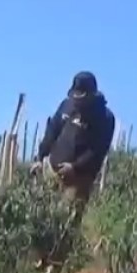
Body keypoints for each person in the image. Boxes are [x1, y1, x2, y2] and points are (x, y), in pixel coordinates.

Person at [35, 71, 116, 232]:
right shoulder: (66, 105)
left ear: (92, 95)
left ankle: (64, 247)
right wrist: (40, 157)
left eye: (81, 97)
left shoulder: (105, 118)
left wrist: (75, 167)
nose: (77, 101)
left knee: (67, 222)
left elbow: (98, 151)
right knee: (41, 215)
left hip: (78, 179)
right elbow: (52, 131)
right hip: (52, 169)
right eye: (75, 96)